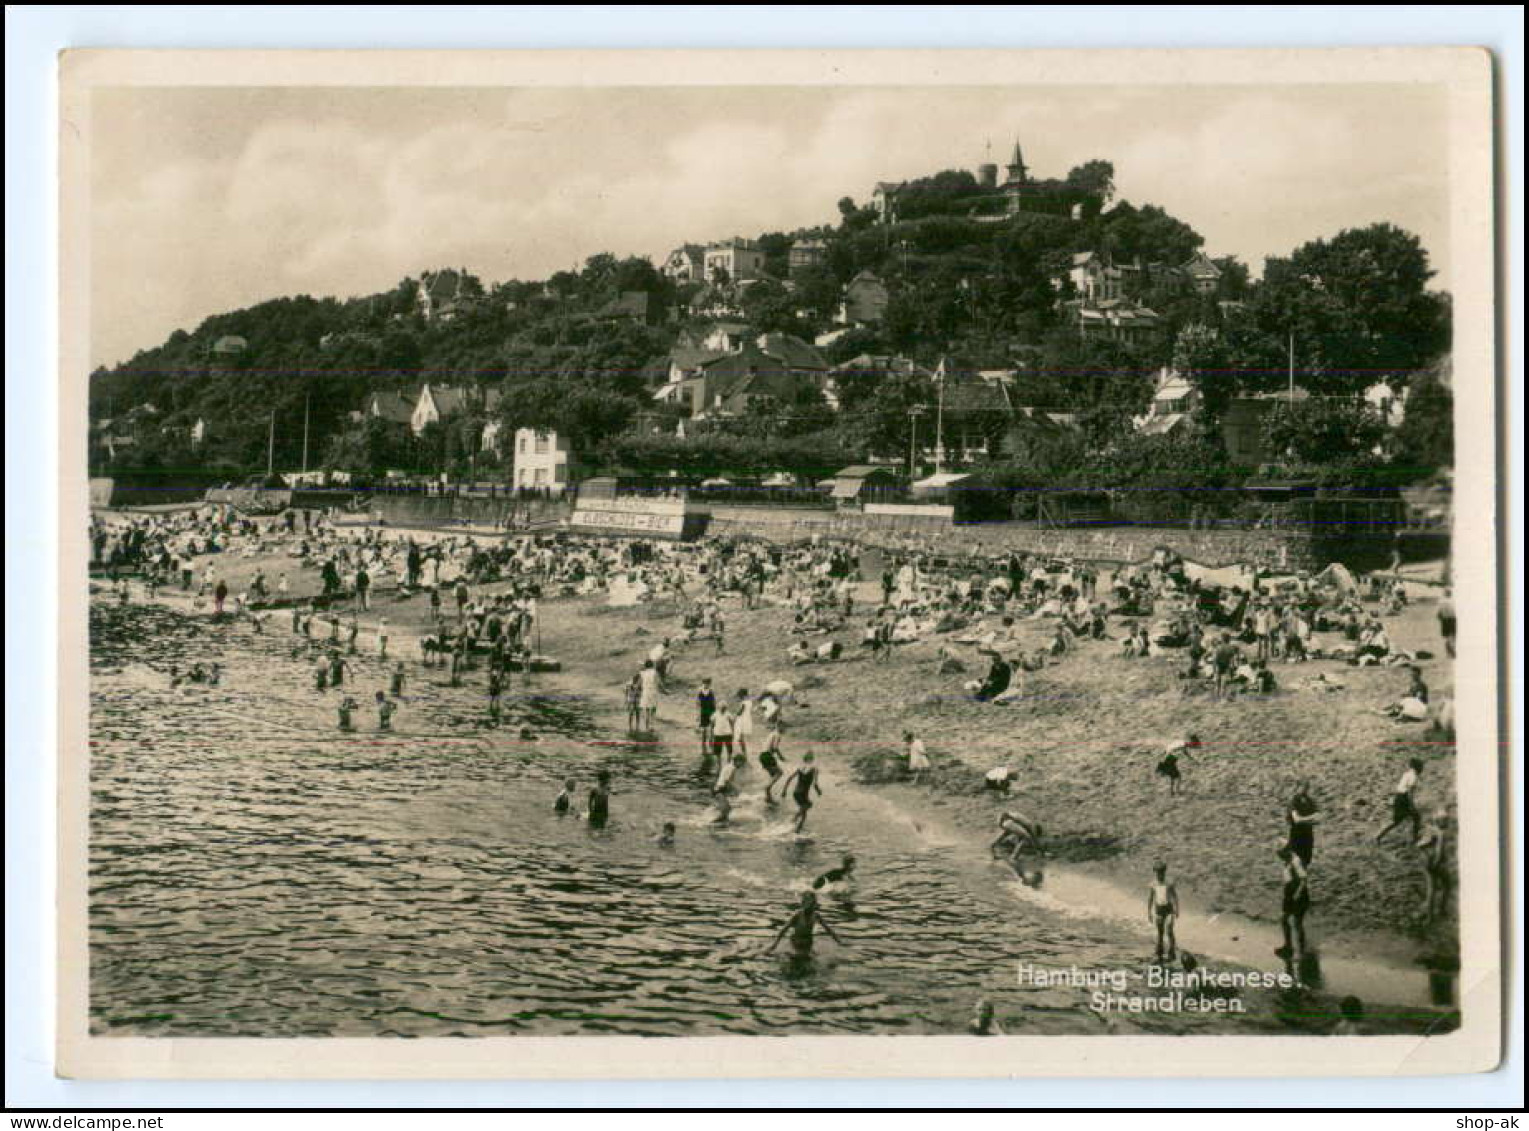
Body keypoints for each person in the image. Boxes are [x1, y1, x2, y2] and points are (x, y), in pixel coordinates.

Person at [767, 889, 844, 961]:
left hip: (808, 942)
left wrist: (839, 941)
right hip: (797, 941)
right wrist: (774, 944)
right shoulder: (797, 915)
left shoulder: (816, 915)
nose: (810, 906)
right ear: (803, 904)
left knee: (810, 959)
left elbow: (828, 929)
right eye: (808, 903)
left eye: (812, 903)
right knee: (796, 958)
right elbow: (784, 929)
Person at [1376, 758, 1425, 844]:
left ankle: (1379, 835)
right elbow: (1410, 793)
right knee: (1415, 817)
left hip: (1399, 797)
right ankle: (1414, 838)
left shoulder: (1407, 774)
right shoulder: (1414, 777)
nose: (1422, 769)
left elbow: (1400, 788)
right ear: (1417, 767)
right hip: (1404, 799)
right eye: (1421, 767)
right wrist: (1411, 805)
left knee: (1398, 821)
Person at [1417, 809, 1452, 922]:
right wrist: (1436, 862)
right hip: (1437, 863)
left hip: (1426, 862)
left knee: (1431, 889)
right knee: (1447, 885)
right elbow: (1439, 851)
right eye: (1445, 820)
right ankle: (1442, 910)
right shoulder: (1440, 833)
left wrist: (1426, 854)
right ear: (1439, 821)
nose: (1447, 822)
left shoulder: (1430, 830)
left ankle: (1430, 917)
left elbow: (1419, 844)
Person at [1276, 845, 1311, 959]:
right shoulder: (1288, 861)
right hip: (1289, 894)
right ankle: (1288, 946)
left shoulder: (1295, 861)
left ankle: (1301, 951)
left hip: (1298, 895)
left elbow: (1303, 879)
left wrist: (1297, 893)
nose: (1280, 857)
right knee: (1284, 919)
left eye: (1281, 854)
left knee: (1297, 923)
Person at [1147, 862, 1180, 962]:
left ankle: (1172, 952)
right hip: (1158, 910)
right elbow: (1150, 898)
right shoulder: (1153, 884)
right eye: (1157, 873)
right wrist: (1149, 912)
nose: (1159, 875)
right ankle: (1159, 952)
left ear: (1164, 872)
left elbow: (1174, 896)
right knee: (1160, 932)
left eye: (1161, 872)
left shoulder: (1169, 883)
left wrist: (1177, 909)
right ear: (1155, 873)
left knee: (1169, 930)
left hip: (1168, 909)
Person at [782, 751, 822, 834]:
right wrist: (819, 791)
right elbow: (815, 783)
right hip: (803, 793)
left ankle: (798, 830)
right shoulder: (814, 769)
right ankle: (791, 823)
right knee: (808, 805)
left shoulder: (800, 768)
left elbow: (789, 778)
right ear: (812, 759)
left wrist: (784, 791)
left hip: (796, 793)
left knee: (804, 813)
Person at [1285, 783, 1320, 867]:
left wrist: (1303, 819)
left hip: (1308, 835)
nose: (1304, 790)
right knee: (1295, 860)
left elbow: (1318, 818)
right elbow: (1297, 820)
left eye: (1306, 787)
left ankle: (1302, 877)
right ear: (1298, 787)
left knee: (1306, 860)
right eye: (1303, 787)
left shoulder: (1310, 800)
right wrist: (1310, 818)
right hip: (1297, 834)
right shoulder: (1294, 800)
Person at [712, 753, 745, 825]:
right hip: (719, 790)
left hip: (720, 790)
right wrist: (736, 789)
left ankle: (723, 822)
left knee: (727, 809)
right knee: (726, 809)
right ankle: (713, 823)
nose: (742, 765)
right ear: (737, 761)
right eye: (741, 763)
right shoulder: (731, 768)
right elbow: (727, 781)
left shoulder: (729, 766)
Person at [696, 678, 717, 759]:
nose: (706, 685)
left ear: (710, 684)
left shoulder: (711, 691)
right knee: (704, 728)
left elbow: (714, 702)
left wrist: (714, 712)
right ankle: (703, 743)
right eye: (705, 683)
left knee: (711, 727)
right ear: (703, 683)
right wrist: (698, 713)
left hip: (710, 710)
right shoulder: (700, 690)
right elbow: (697, 702)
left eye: (708, 683)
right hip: (703, 711)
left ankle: (710, 741)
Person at [638, 661, 660, 733]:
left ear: (646, 666)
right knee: (653, 709)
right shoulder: (654, 672)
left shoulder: (642, 673)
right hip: (653, 692)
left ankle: (647, 726)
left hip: (645, 692)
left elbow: (639, 684)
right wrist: (665, 691)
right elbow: (658, 683)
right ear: (652, 665)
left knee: (646, 709)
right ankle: (651, 725)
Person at [733, 689, 754, 758]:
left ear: (742, 696)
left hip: (742, 721)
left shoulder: (744, 703)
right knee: (740, 737)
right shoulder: (749, 702)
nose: (739, 697)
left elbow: (740, 712)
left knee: (739, 737)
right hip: (746, 720)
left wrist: (734, 716)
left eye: (740, 696)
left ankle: (743, 753)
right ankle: (743, 752)